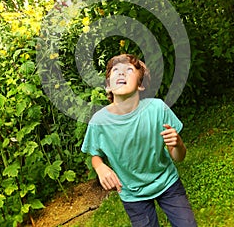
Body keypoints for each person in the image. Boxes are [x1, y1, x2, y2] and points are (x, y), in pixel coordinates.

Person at [81, 54, 197, 227]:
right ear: (108, 86)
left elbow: (179, 157)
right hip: (132, 194)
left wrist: (178, 144)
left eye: (128, 69)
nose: (121, 73)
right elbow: (95, 154)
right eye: (115, 71)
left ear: (141, 85)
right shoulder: (99, 122)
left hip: (167, 182)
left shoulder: (157, 109)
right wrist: (99, 167)